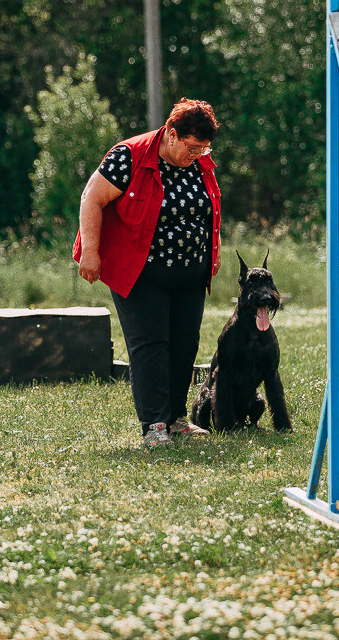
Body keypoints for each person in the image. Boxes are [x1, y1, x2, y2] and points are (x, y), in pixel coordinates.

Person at [74, 98, 222, 449]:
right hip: (142, 271)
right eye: (193, 147)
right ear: (172, 135)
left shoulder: (199, 163)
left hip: (189, 273)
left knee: (185, 345)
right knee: (151, 346)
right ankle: (155, 426)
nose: (199, 155)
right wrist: (91, 252)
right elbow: (91, 198)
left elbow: (208, 208)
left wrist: (211, 253)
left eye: (205, 148)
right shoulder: (129, 155)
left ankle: (176, 418)